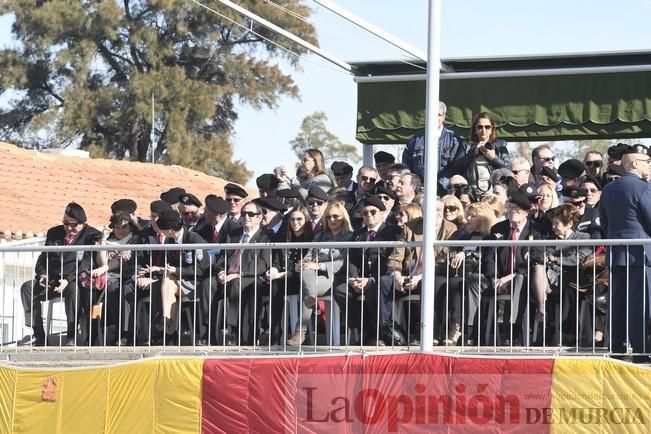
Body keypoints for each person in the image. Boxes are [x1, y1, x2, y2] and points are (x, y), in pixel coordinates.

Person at [20, 202, 102, 346]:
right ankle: (38, 335)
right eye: (65, 223)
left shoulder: (91, 235)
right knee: (27, 288)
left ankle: (71, 334)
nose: (69, 228)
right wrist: (43, 275)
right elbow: (43, 258)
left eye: (73, 225)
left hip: (73, 280)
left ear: (82, 223)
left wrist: (68, 279)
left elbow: (86, 263)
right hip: (52, 280)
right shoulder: (54, 233)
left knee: (73, 289)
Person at [599, 144, 651, 356]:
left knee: (617, 305)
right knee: (640, 305)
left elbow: (604, 223)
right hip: (640, 254)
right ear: (635, 163)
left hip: (616, 253)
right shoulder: (643, 188)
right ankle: (641, 351)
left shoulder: (609, 189)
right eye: (647, 162)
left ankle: (616, 350)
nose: (650, 165)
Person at [335, 195, 401, 346]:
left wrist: (370, 280)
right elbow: (351, 259)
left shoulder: (392, 232)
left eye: (373, 212)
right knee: (340, 290)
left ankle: (376, 334)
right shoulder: (357, 235)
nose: (369, 215)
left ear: (382, 213)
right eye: (365, 213)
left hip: (381, 279)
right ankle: (360, 330)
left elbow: (391, 260)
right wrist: (353, 279)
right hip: (359, 280)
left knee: (374, 289)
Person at [286, 203, 353, 346]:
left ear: (343, 218)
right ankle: (312, 300)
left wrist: (319, 265)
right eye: (328, 217)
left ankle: (300, 332)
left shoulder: (349, 237)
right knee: (306, 274)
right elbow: (309, 255)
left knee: (307, 288)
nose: (332, 220)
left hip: (333, 276)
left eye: (336, 216)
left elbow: (342, 263)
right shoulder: (320, 236)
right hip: (312, 275)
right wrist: (302, 264)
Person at [483, 192, 545, 344]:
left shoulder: (536, 231)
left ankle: (512, 331)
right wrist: (494, 278)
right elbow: (490, 256)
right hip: (498, 278)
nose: (512, 212)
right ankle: (472, 332)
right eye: (509, 208)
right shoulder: (498, 229)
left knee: (519, 280)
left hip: (523, 278)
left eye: (516, 209)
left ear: (526, 212)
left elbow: (536, 259)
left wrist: (511, 276)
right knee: (473, 282)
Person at [214, 201, 274, 345]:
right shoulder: (233, 235)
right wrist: (221, 272)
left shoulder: (266, 236)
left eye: (251, 214)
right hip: (227, 276)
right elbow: (222, 258)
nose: (246, 217)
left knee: (236, 283)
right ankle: (207, 334)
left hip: (250, 277)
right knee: (207, 284)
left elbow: (263, 264)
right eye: (243, 214)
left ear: (259, 218)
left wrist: (239, 274)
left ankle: (232, 331)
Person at [544, 204, 591, 345]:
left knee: (569, 286)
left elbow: (579, 258)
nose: (553, 227)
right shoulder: (550, 240)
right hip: (552, 278)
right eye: (553, 223)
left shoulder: (583, 237)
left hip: (576, 280)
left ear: (569, 224)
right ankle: (545, 331)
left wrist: (556, 260)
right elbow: (545, 259)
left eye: (556, 223)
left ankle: (567, 334)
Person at [446, 112, 510, 199]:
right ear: (475, 130)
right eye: (480, 127)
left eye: (487, 127)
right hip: (471, 195)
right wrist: (473, 153)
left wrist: (493, 158)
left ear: (492, 129)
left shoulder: (500, 145)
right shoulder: (466, 146)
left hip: (493, 195)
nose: (483, 130)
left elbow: (508, 169)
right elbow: (456, 168)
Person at [402, 101, 461, 188]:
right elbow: (406, 165)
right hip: (420, 190)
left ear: (444, 116)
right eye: (433, 114)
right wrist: (417, 185)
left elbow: (456, 167)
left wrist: (440, 185)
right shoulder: (416, 139)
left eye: (439, 115)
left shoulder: (453, 139)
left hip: (445, 191)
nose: (435, 118)